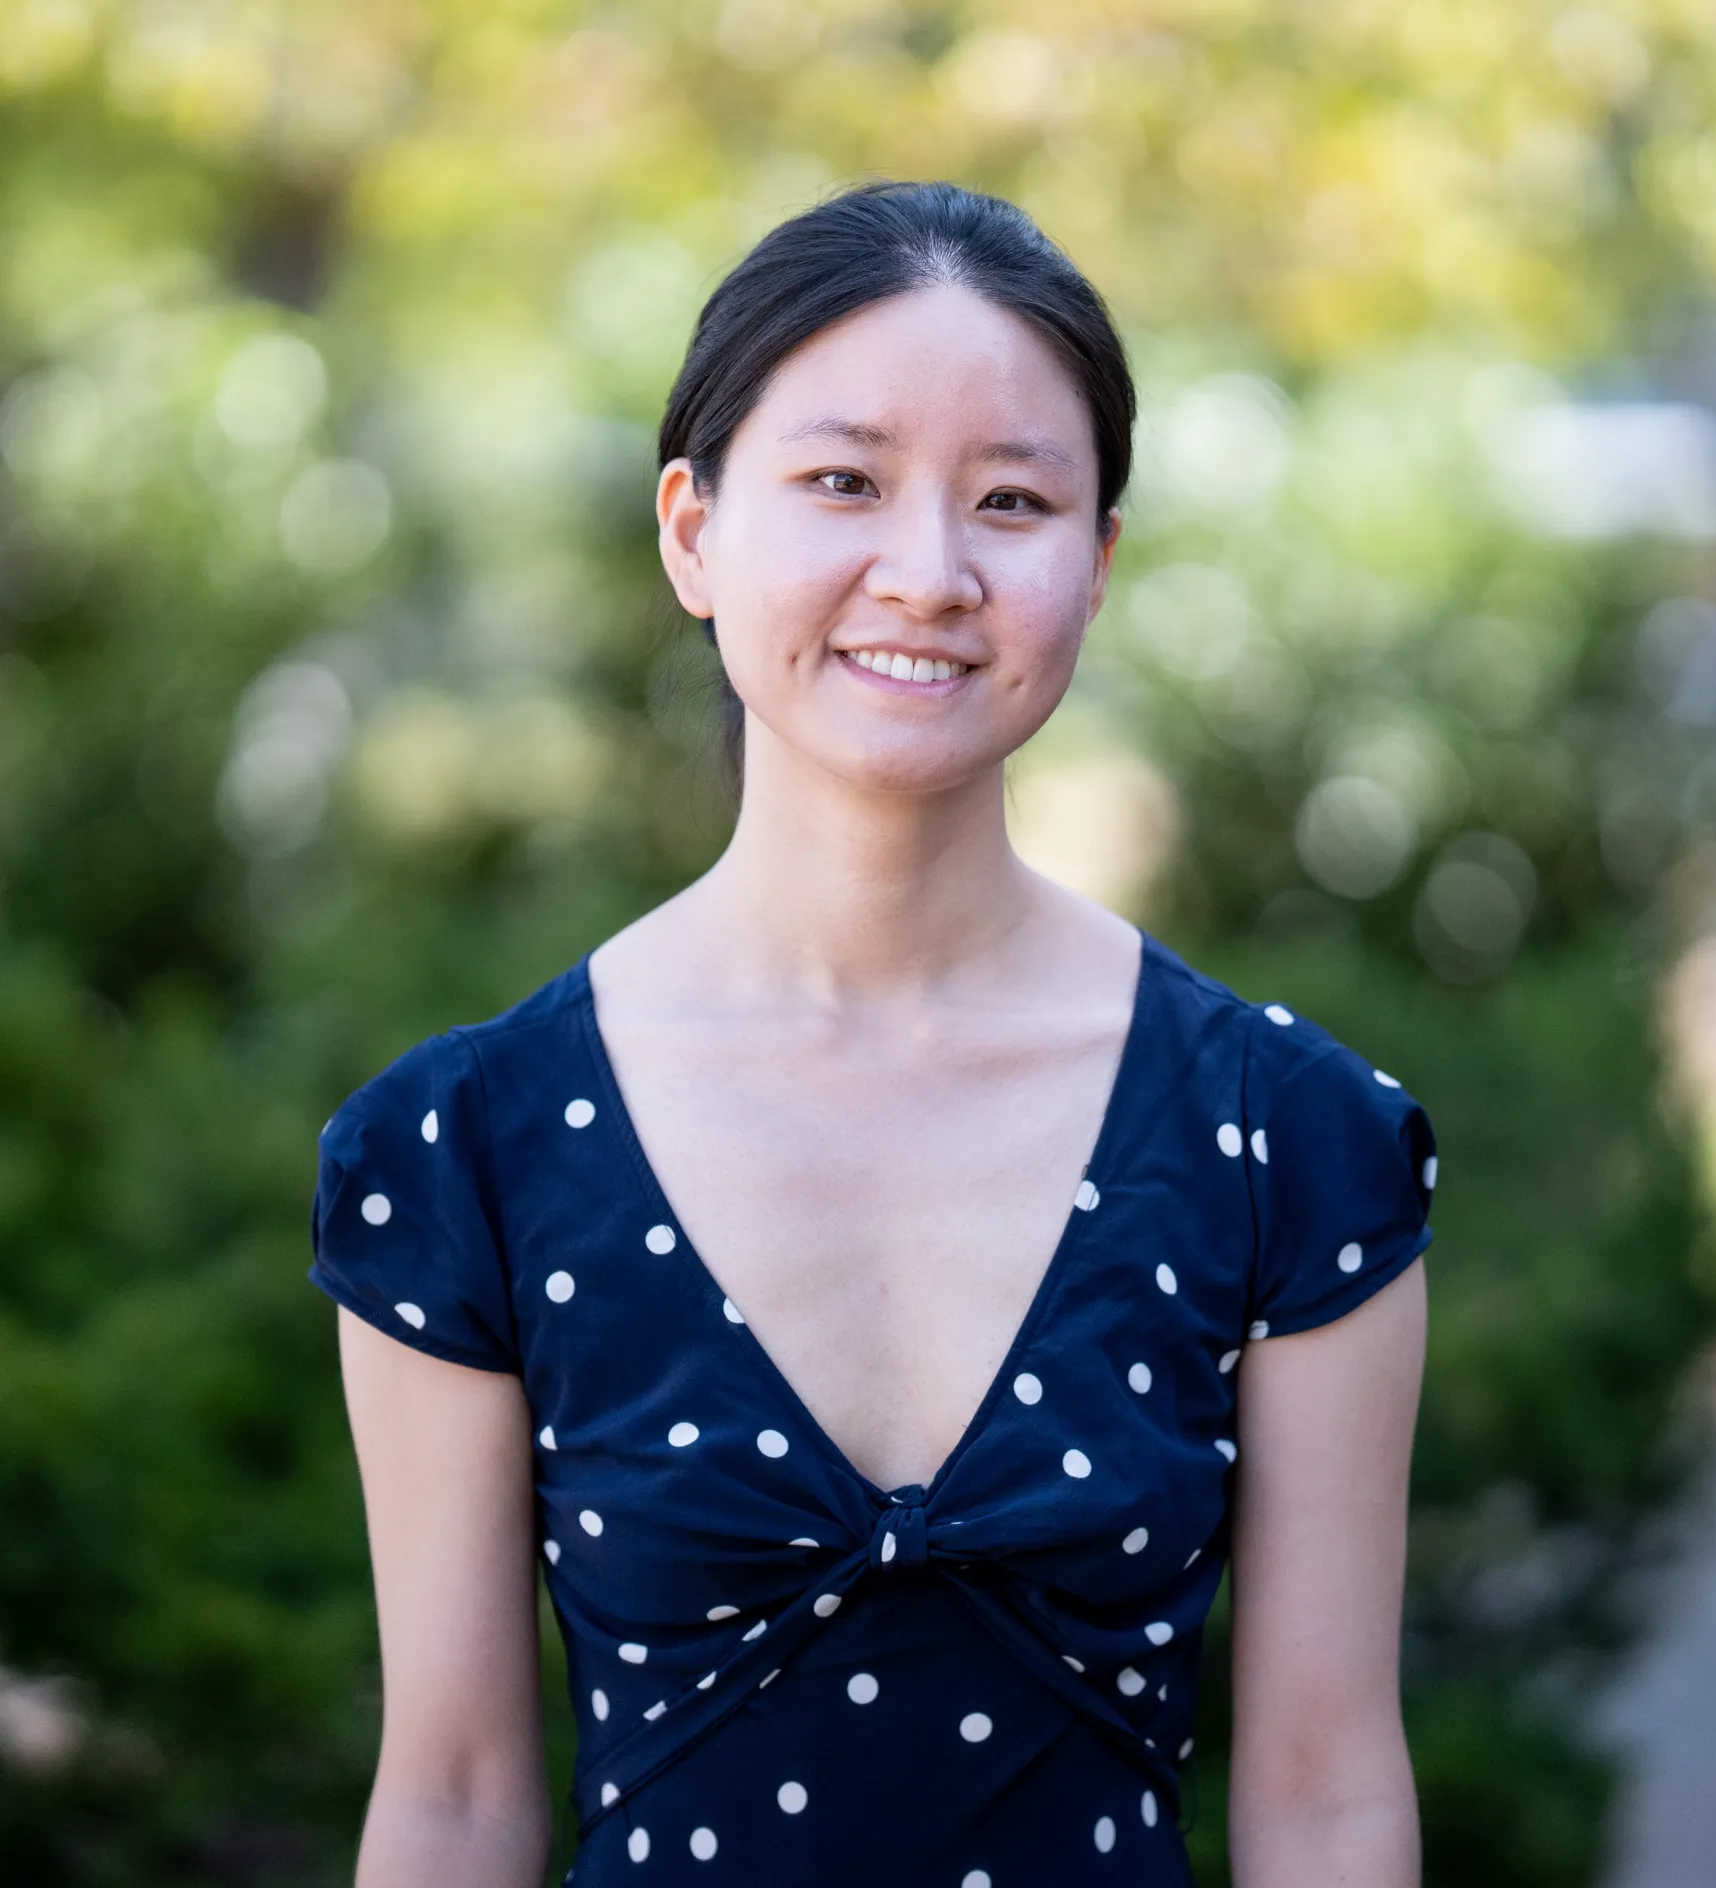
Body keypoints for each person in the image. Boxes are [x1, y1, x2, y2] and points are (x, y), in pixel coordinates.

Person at [310, 179, 1436, 1888]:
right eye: (843, 481)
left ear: (1099, 561)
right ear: (690, 530)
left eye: (1012, 500)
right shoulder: (466, 1150)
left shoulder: (1291, 1136)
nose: (928, 572)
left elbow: (1328, 1783)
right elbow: (458, 1793)